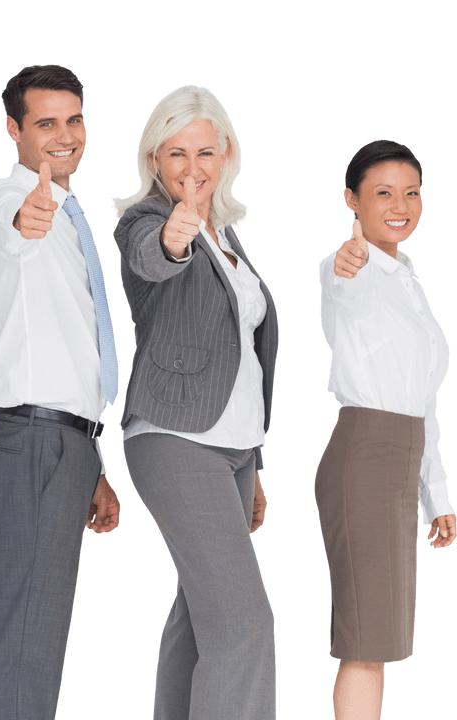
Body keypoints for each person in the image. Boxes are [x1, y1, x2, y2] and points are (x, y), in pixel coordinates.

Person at [110, 84, 279, 719]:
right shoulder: (146, 222)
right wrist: (175, 240)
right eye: (175, 153)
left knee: (199, 621)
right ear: (154, 160)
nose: (191, 168)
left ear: (226, 152)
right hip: (176, 440)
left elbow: (240, 356)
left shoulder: (230, 238)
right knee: (244, 627)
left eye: (204, 151)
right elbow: (153, 261)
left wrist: (254, 465)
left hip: (234, 450)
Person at [0, 63, 120, 720]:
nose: (65, 135)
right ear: (14, 130)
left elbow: (72, 342)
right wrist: (32, 210)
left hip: (66, 442)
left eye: (74, 120)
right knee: (22, 637)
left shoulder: (71, 214)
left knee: (42, 635)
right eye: (45, 123)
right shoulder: (5, 200)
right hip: (31, 439)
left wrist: (95, 463)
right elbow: (14, 227)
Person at [315, 139, 455, 720]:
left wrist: (437, 497)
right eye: (382, 193)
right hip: (366, 457)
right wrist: (347, 266)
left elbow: (423, 402)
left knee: (386, 638)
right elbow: (341, 285)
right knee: (366, 641)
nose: (401, 204)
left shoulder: (408, 281)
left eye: (411, 192)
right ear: (352, 200)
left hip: (403, 458)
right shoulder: (346, 265)